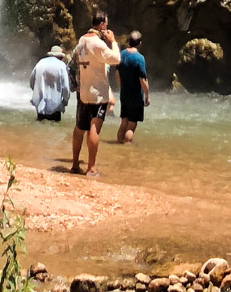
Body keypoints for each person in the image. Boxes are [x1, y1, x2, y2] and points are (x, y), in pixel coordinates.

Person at [69, 9, 119, 177]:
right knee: (94, 128)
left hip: (83, 92)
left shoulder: (82, 40)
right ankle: (91, 168)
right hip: (98, 94)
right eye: (106, 25)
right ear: (102, 24)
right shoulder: (97, 43)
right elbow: (115, 59)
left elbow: (72, 63)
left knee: (79, 127)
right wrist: (113, 41)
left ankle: (75, 164)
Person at [116, 30, 149, 143]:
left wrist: (121, 88)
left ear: (129, 41)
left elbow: (117, 75)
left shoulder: (121, 55)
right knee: (132, 124)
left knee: (124, 122)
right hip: (135, 96)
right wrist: (147, 95)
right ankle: (127, 150)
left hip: (124, 94)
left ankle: (118, 145)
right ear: (139, 43)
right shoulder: (140, 58)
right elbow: (142, 80)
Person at [30, 44, 71, 122]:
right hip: (55, 104)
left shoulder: (40, 63)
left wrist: (37, 92)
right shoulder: (61, 66)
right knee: (54, 127)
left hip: (40, 104)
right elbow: (65, 87)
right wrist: (65, 101)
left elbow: (32, 81)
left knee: (40, 126)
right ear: (60, 57)